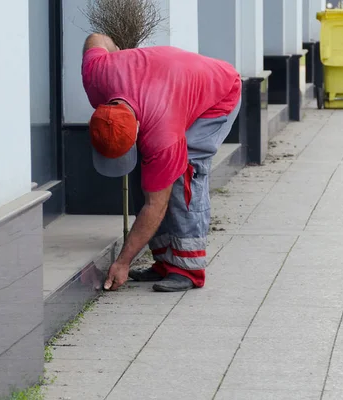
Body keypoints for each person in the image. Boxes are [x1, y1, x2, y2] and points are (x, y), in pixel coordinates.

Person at [81, 33, 242, 293]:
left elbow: (156, 204)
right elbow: (96, 38)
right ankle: (165, 261)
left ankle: (188, 269)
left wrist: (123, 262)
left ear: (137, 130)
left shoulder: (162, 135)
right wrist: (117, 51)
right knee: (148, 175)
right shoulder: (96, 75)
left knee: (184, 173)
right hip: (171, 89)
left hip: (218, 94)